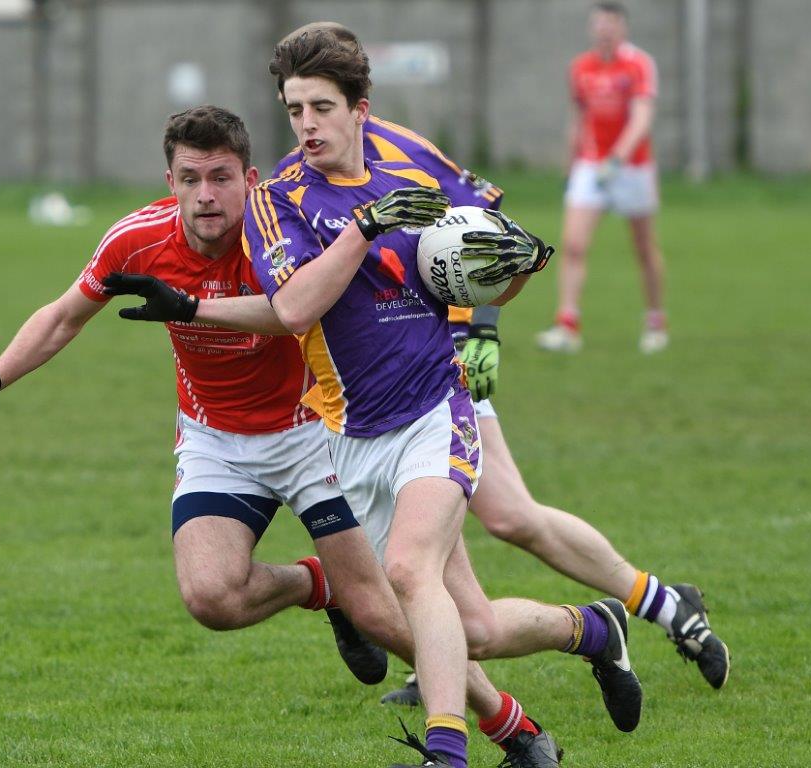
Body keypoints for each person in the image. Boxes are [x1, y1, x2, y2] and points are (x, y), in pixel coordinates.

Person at [269, 22, 728, 707]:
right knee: (460, 556)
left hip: (438, 370)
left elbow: (487, 236)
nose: (307, 122)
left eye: (320, 104)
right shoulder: (291, 188)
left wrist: (479, 329)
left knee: (507, 518)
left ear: (356, 100)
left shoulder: (404, 150)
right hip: (375, 386)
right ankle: (502, 648)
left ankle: (663, 607)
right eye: (294, 108)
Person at [0, 105, 393, 687]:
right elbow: (65, 317)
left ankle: (500, 719)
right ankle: (320, 585)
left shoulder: (287, 234)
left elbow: (317, 310)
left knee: (383, 609)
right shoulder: (137, 241)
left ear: (250, 179)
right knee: (212, 598)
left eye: (221, 177)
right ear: (171, 183)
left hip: (313, 434)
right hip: (214, 437)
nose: (205, 196)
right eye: (190, 180)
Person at [536, 1, 668, 354]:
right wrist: (570, 164)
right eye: (599, 24)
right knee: (574, 244)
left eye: (611, 23)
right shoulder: (581, 68)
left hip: (632, 167)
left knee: (643, 247)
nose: (605, 30)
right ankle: (567, 324)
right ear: (592, 28)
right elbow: (578, 119)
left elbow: (642, 118)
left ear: (622, 27)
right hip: (591, 166)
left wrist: (617, 159)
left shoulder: (638, 64)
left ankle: (655, 320)